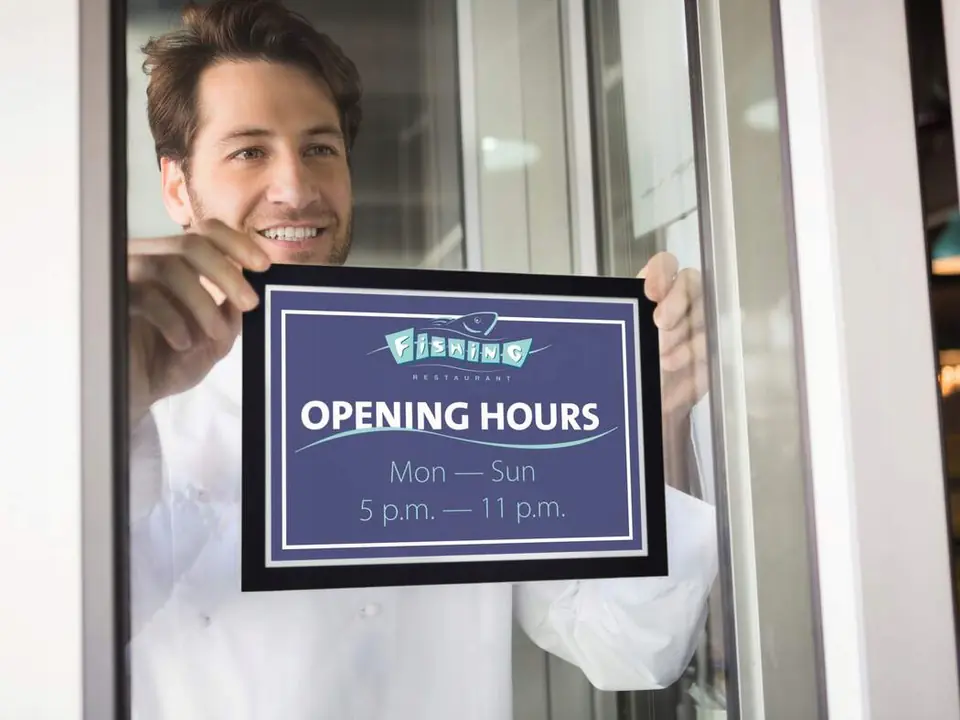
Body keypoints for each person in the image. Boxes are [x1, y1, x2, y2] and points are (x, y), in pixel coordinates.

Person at [126, 1, 718, 718]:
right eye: (249, 151)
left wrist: (657, 413)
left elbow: (631, 647)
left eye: (320, 148)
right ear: (177, 187)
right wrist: (116, 403)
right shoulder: (129, 406)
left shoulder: (472, 385)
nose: (296, 188)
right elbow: (57, 627)